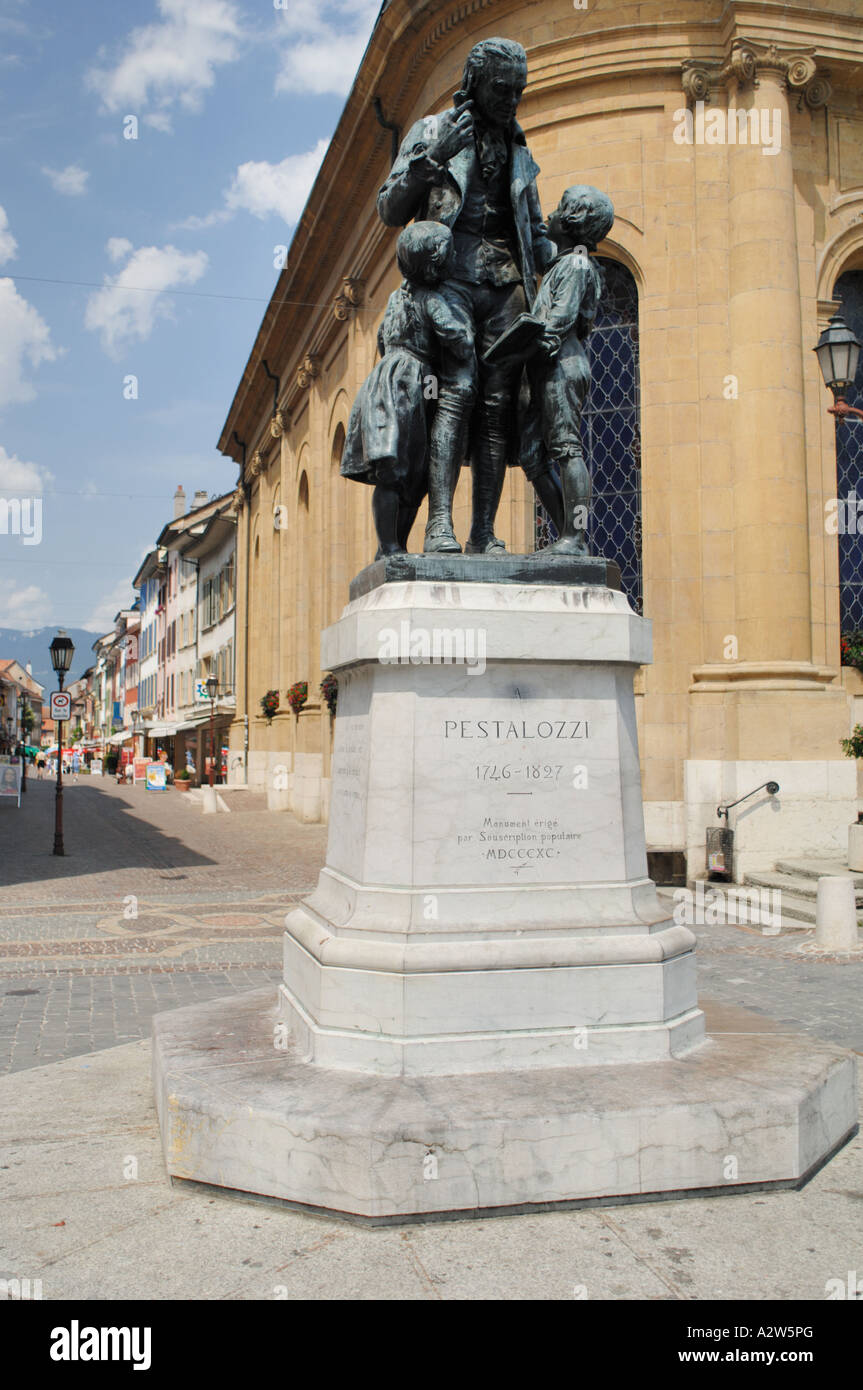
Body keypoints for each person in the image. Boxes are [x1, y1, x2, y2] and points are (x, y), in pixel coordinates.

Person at [377, 37, 556, 555]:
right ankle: (439, 524)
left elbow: (533, 227)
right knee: (456, 390)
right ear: (474, 83)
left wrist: (564, 256)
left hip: (505, 286)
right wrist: (429, 162)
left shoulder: (520, 148)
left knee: (498, 405)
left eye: (518, 91)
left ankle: (483, 531)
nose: (511, 100)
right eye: (502, 89)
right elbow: (390, 209)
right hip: (447, 277)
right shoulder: (434, 131)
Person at [341, 222, 474, 554]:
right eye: (450, 254)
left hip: (387, 380)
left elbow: (382, 338)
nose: (456, 258)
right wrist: (467, 334)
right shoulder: (430, 299)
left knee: (397, 472)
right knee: (408, 473)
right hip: (412, 384)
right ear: (435, 264)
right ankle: (390, 546)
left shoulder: (393, 298)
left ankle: (389, 545)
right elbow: (456, 337)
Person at [517, 186, 614, 555]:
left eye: (559, 209)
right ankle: (565, 535)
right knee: (530, 454)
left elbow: (560, 319)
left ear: (573, 221)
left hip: (561, 362)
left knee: (567, 448)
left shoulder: (575, 264)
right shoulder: (562, 264)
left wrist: (525, 339)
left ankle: (575, 537)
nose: (551, 215)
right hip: (544, 365)